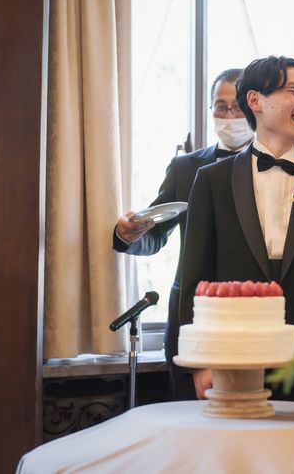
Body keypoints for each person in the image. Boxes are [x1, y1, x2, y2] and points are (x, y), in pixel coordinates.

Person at [179, 55, 294, 404]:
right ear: (255, 100)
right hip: (229, 363)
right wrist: (200, 361)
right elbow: (194, 279)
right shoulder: (212, 180)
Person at [112, 68, 254, 400]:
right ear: (211, 110)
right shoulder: (185, 167)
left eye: (237, 107)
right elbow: (155, 232)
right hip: (191, 316)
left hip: (253, 314)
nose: (229, 116)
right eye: (221, 107)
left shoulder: (273, 167)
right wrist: (128, 234)